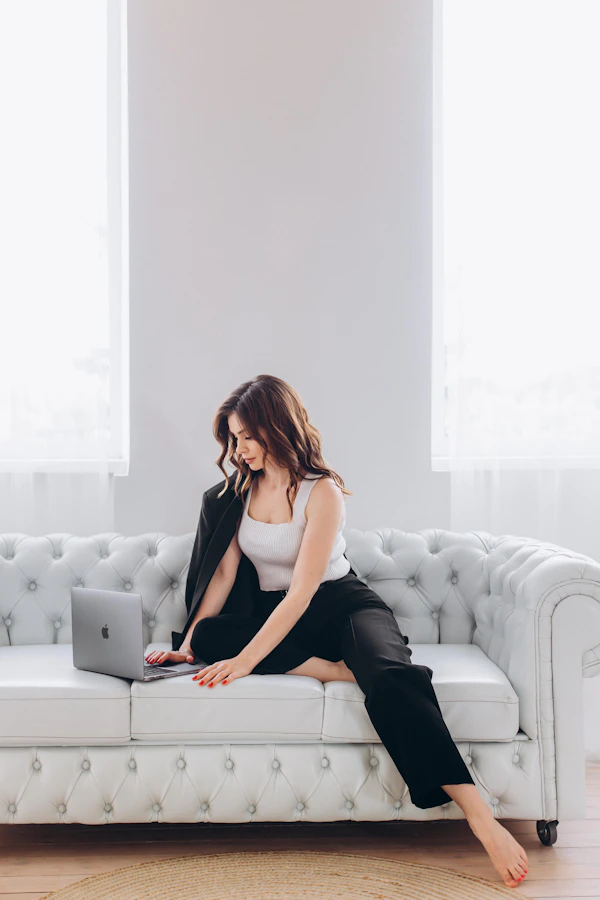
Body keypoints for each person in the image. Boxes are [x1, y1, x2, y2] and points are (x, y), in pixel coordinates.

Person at [145, 374, 529, 888]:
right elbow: (221, 575)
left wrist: (247, 662)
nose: (239, 450)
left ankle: (480, 817)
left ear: (276, 428)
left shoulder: (319, 491)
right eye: (234, 439)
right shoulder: (238, 490)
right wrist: (190, 644)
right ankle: (336, 671)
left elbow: (304, 593)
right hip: (278, 613)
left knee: (391, 676)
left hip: (340, 604)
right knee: (211, 637)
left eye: (248, 437)